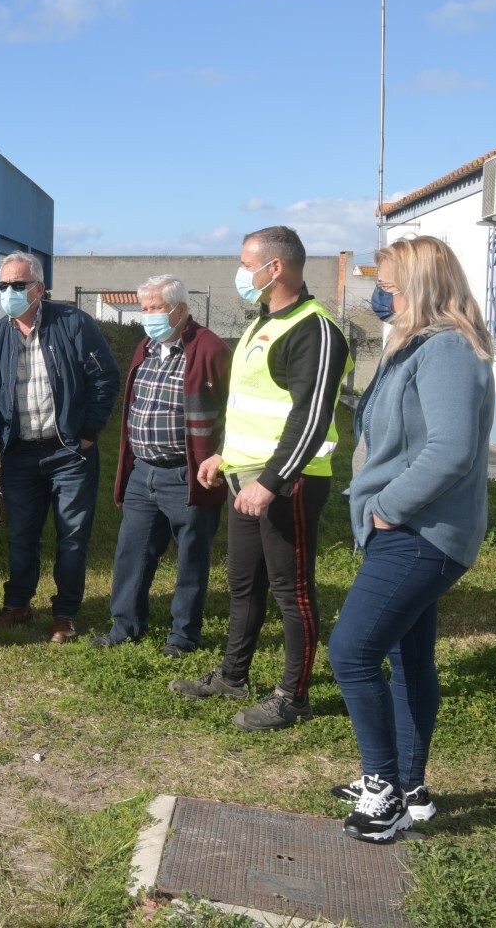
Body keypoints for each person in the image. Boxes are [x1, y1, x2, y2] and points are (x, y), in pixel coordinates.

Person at [328, 236, 493, 843]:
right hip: (410, 527)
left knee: (352, 652)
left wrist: (386, 509)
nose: (380, 295)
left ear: (419, 287)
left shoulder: (446, 349)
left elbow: (451, 450)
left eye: (389, 286)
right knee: (409, 658)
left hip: (420, 530)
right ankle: (410, 787)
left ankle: (384, 792)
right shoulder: (419, 344)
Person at [172, 225, 351, 731]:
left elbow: (309, 418)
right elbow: (249, 405)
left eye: (246, 264)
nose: (240, 273)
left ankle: (293, 697)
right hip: (244, 477)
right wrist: (223, 455)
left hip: (289, 483)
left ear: (275, 267)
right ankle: (233, 676)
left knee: (291, 590)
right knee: (243, 584)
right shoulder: (261, 323)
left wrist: (271, 481)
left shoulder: (315, 330)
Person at [0, 251, 120, 643]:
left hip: (69, 453)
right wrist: (3, 433)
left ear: (39, 288)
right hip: (20, 453)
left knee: (72, 536)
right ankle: (17, 605)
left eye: (18, 284)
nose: (8, 292)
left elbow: (105, 378)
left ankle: (65, 614)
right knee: (21, 537)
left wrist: (88, 432)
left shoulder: (73, 323)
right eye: (2, 285)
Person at [93, 275, 229, 657]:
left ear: (180, 309)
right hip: (143, 472)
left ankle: (183, 637)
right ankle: (125, 627)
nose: (148, 315)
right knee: (132, 552)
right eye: (144, 308)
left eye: (156, 308)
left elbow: (234, 410)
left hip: (188, 474)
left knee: (191, 559)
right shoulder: (146, 347)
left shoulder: (210, 349)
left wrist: (220, 456)